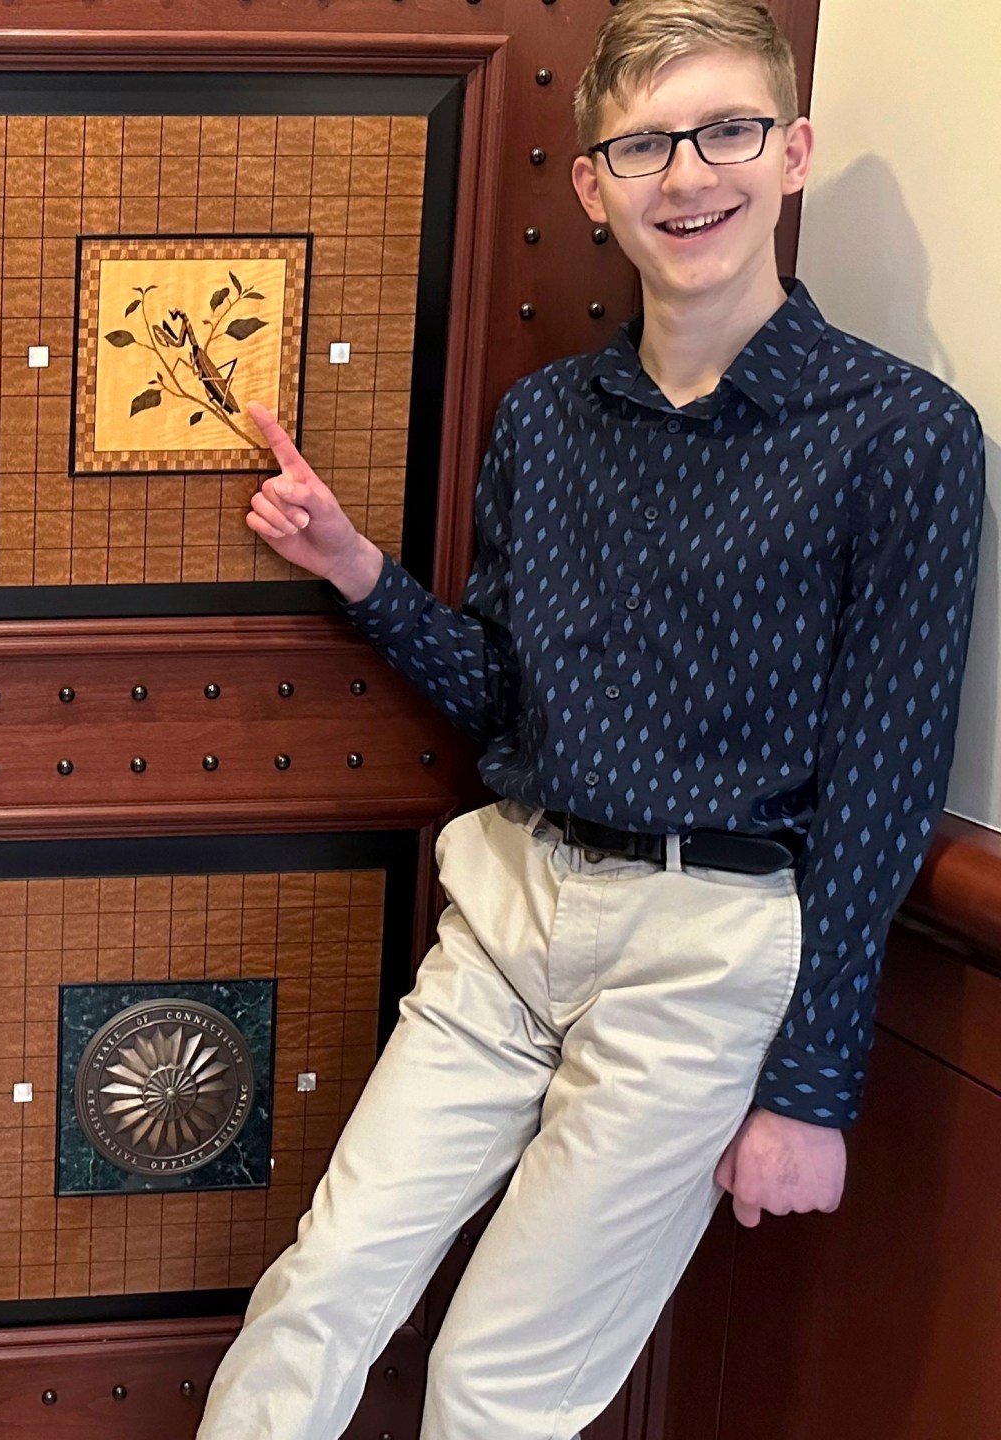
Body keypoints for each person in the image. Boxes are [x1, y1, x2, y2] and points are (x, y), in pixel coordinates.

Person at [202, 2, 985, 1436]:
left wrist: (810, 1090)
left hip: (704, 958)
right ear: (591, 185)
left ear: (793, 149)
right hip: (511, 909)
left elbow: (885, 778)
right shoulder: (549, 421)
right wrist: (359, 574)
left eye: (728, 130)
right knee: (321, 1290)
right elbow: (509, 690)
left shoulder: (903, 435)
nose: (688, 176)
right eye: (643, 144)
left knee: (498, 1388)